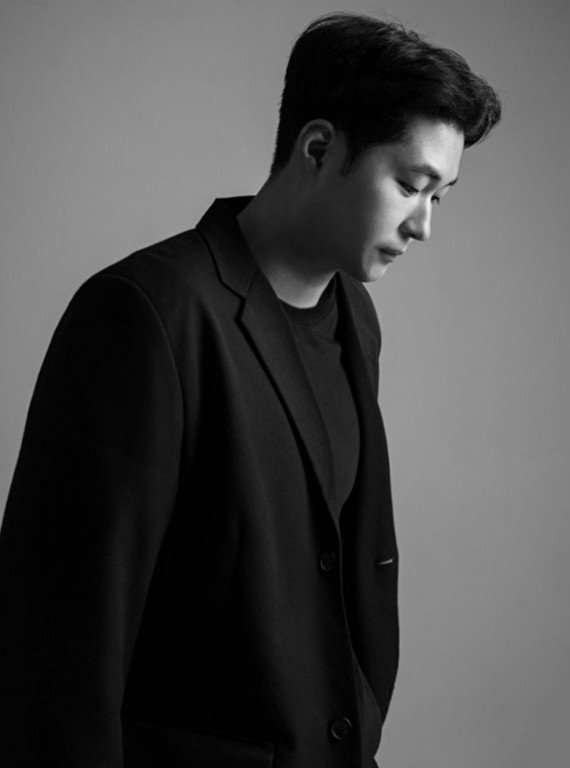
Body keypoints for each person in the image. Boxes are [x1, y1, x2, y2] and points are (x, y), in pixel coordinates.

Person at [0, 12, 501, 768]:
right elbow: (60, 651)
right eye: (410, 185)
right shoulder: (147, 315)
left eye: (441, 197)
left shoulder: (354, 318)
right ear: (318, 148)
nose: (424, 225)